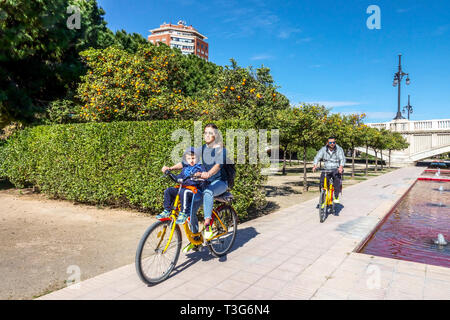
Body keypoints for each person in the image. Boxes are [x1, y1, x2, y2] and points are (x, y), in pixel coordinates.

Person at [157, 147, 206, 226]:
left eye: (193, 158)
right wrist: (168, 171)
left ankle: (184, 213)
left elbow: (204, 175)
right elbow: (178, 177)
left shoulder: (200, 166)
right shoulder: (186, 167)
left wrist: (199, 175)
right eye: (189, 158)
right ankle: (167, 210)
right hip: (185, 189)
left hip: (196, 191)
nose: (191, 160)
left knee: (184, 191)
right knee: (169, 190)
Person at [312, 136, 345, 206]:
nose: (332, 144)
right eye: (330, 142)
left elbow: (342, 159)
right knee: (322, 182)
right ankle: (323, 199)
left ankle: (336, 196)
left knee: (337, 181)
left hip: (336, 168)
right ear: (327, 143)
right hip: (326, 169)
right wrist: (315, 165)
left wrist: (341, 167)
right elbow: (317, 157)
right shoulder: (323, 149)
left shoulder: (339, 149)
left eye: (333, 142)